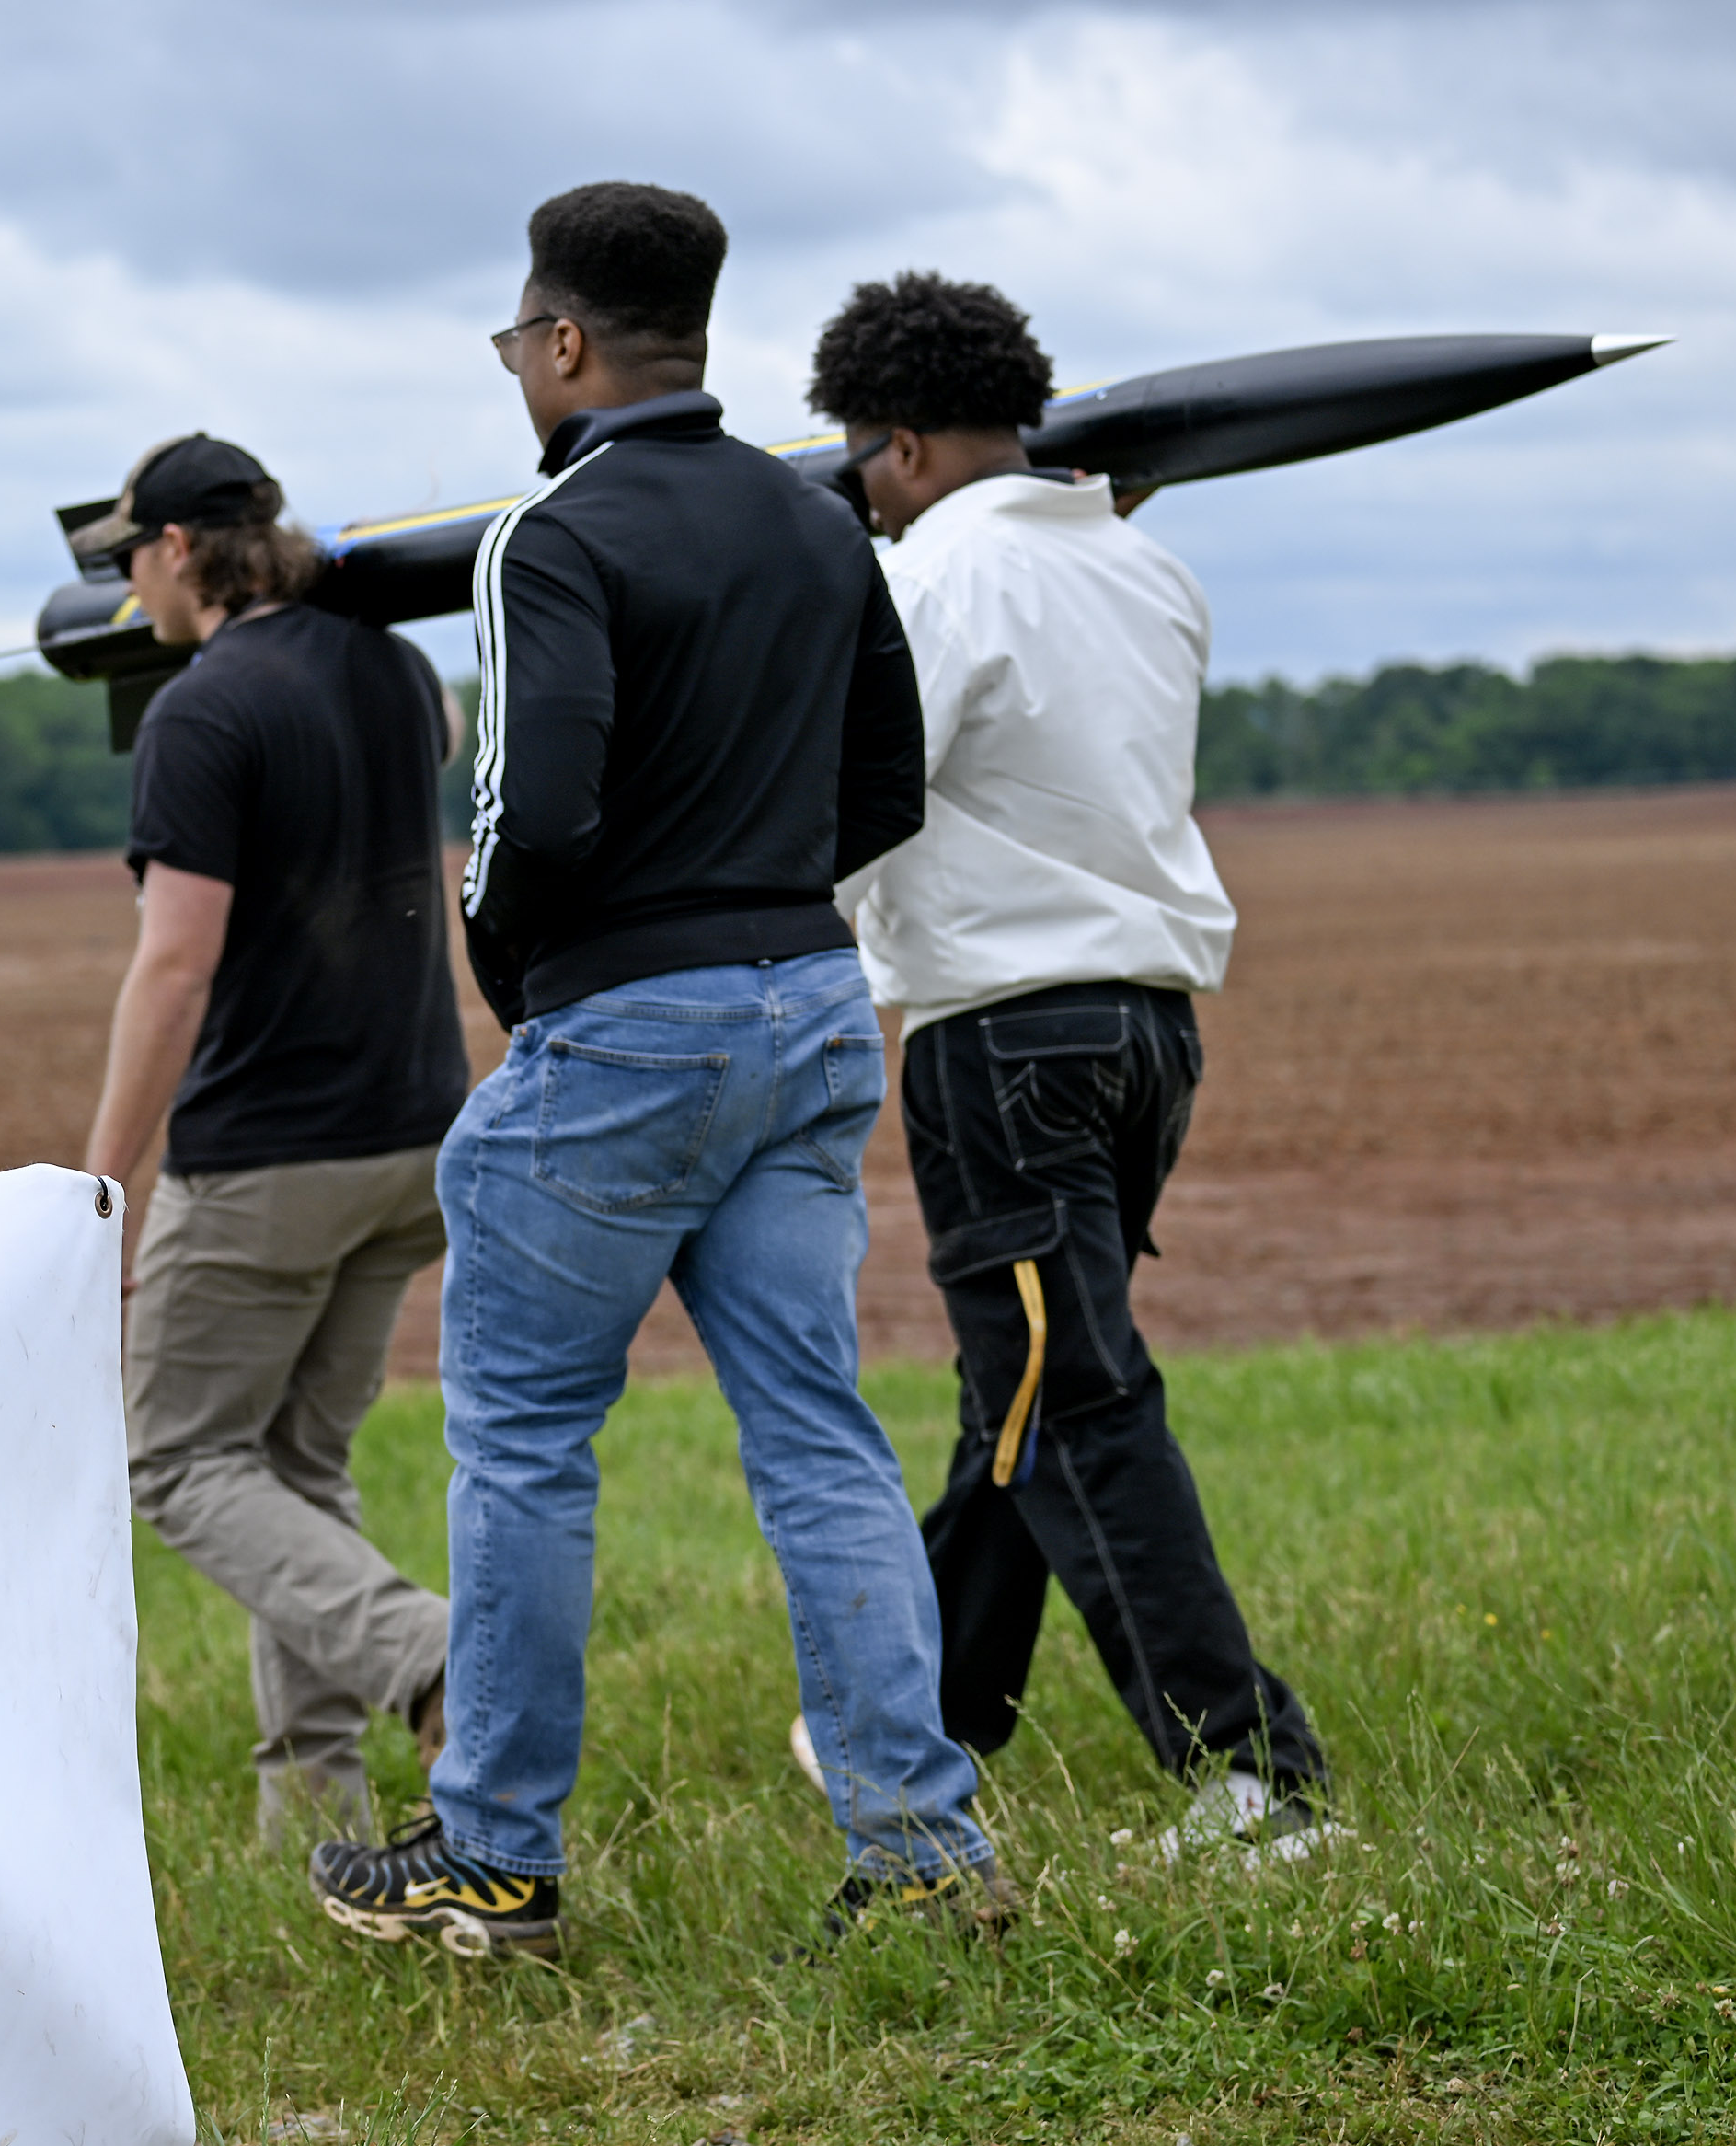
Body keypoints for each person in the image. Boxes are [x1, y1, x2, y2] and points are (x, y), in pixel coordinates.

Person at [305, 183, 1009, 1963]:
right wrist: (764, 900)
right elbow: (888, 787)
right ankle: (924, 1854)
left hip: (624, 1025)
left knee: (526, 1448)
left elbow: (530, 812)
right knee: (822, 1437)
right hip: (814, 1007)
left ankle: (494, 1855)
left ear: (562, 342)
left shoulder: (545, 537)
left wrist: (529, 978)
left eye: (514, 342)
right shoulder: (816, 518)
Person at [805, 271, 1332, 1858]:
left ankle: (1251, 1777)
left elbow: (857, 808)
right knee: (1020, 1391)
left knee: (1076, 1399)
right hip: (1150, 1031)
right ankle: (928, 1716)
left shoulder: (931, 579)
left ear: (899, 446)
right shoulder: (1148, 570)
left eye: (860, 464)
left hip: (1000, 1035)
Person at [74, 433, 476, 1846]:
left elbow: (175, 964)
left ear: (179, 549)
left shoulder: (201, 712)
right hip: (415, 1137)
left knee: (177, 1460)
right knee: (297, 1466)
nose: (125, 586)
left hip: (267, 1158)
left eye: (131, 557)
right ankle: (311, 1809)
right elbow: (435, 745)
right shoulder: (398, 674)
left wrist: (104, 1182)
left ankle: (432, 1655)